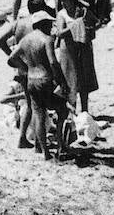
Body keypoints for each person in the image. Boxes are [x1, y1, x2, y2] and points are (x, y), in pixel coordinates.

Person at [6, 10, 69, 161]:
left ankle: (44, 151)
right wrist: (61, 81)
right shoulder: (47, 39)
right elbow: (53, 61)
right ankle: (60, 146)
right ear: (42, 24)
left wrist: (26, 68)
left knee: (38, 113)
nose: (51, 26)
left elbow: (11, 58)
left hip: (31, 80)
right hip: (45, 78)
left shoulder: (25, 40)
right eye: (48, 23)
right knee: (62, 109)